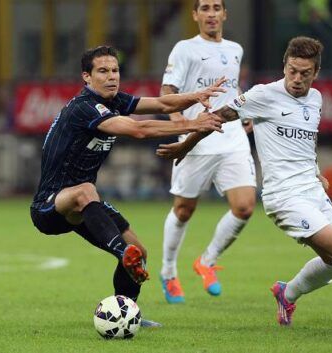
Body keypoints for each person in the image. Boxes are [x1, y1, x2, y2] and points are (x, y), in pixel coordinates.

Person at [157, 36, 332, 329]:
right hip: (284, 196)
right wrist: (184, 144)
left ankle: (288, 293)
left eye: (304, 73)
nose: (297, 79)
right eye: (292, 71)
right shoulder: (263, 95)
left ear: (316, 73)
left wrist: (316, 171)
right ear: (284, 66)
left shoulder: (316, 99)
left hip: (312, 190)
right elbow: (216, 117)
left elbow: (306, 141)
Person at [29, 46, 224, 326]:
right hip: (50, 206)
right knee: (86, 191)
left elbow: (163, 105)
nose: (112, 77)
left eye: (115, 70)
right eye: (103, 71)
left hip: (85, 205)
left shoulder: (115, 101)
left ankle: (125, 313)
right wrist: (194, 125)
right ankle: (123, 253)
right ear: (87, 76)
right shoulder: (84, 108)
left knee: (139, 251)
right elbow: (139, 129)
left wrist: (196, 96)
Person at [158, 0, 257, 303]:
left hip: (231, 137)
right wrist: (180, 125)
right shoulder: (184, 49)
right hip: (197, 137)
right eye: (205, 8)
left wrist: (245, 110)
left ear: (224, 13)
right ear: (196, 15)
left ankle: (207, 261)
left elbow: (231, 90)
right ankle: (168, 272)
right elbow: (167, 92)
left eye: (216, 7)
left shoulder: (235, 49)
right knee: (184, 210)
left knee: (245, 207)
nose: (211, 13)